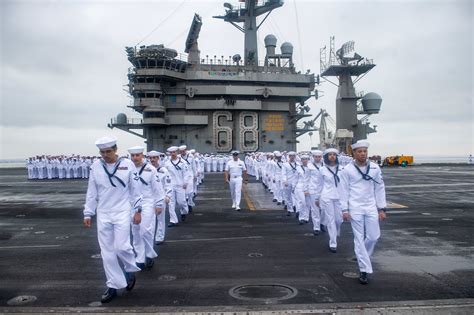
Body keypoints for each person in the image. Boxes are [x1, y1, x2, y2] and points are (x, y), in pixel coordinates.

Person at [83, 136, 142, 303]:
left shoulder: (127, 165)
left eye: (108, 151)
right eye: (102, 152)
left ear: (116, 150)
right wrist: (88, 213)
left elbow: (135, 190)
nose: (105, 155)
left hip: (123, 210)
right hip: (103, 212)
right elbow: (92, 191)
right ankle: (113, 285)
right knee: (107, 253)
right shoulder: (96, 166)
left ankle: (130, 270)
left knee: (122, 247)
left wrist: (138, 210)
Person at [340, 140, 387, 285]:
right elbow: (343, 190)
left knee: (374, 236)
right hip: (355, 207)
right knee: (359, 239)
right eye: (359, 151)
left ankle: (362, 255)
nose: (362, 154)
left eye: (364, 151)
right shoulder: (347, 170)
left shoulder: (374, 168)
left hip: (371, 206)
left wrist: (382, 208)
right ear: (353, 153)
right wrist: (344, 209)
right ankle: (364, 270)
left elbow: (380, 188)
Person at [128, 146, 164, 270]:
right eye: (132, 155)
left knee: (145, 230)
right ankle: (140, 257)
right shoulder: (128, 169)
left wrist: (159, 204)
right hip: (132, 203)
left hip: (148, 202)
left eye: (137, 155)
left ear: (142, 155)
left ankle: (149, 254)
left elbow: (157, 188)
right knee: (136, 230)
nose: (135, 158)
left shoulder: (151, 169)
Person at [316, 148, 344, 253]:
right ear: (326, 157)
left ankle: (335, 233)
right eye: (330, 155)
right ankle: (333, 243)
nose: (332, 156)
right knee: (331, 220)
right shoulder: (322, 169)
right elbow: (319, 185)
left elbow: (346, 185)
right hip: (327, 196)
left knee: (339, 220)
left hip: (339, 196)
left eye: (334, 154)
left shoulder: (342, 169)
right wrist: (317, 198)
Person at [148, 150, 173, 245]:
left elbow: (168, 183)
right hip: (149, 197)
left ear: (158, 158)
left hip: (161, 196)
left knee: (160, 218)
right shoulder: (146, 169)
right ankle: (149, 237)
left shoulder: (163, 170)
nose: (152, 160)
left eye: (154, 158)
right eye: (150, 158)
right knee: (149, 219)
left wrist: (168, 195)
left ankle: (159, 237)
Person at [165, 146, 192, 227]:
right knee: (171, 203)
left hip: (180, 185)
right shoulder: (167, 163)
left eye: (174, 152)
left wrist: (185, 182)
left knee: (181, 202)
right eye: (171, 153)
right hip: (171, 186)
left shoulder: (183, 162)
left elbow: (186, 173)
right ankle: (173, 221)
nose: (172, 154)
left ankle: (184, 212)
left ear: (177, 153)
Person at [282, 151, 299, 216]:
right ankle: (290, 209)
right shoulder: (285, 164)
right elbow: (283, 173)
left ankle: (297, 209)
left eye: (293, 156)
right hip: (288, 182)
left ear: (295, 157)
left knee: (296, 196)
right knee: (288, 196)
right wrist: (285, 181)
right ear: (289, 157)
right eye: (291, 156)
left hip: (295, 182)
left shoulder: (298, 164)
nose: (292, 157)